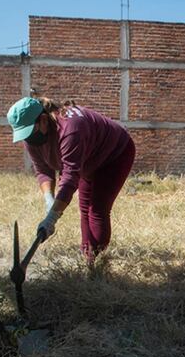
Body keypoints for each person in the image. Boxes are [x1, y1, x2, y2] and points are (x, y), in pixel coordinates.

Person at [7, 96, 136, 263]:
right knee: (84, 209)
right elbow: (43, 171)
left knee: (96, 210)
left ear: (44, 119)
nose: (28, 139)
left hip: (115, 154)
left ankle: (95, 264)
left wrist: (52, 217)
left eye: (30, 132)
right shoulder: (32, 138)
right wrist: (49, 201)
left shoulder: (70, 129)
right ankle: (86, 257)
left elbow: (69, 178)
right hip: (88, 158)